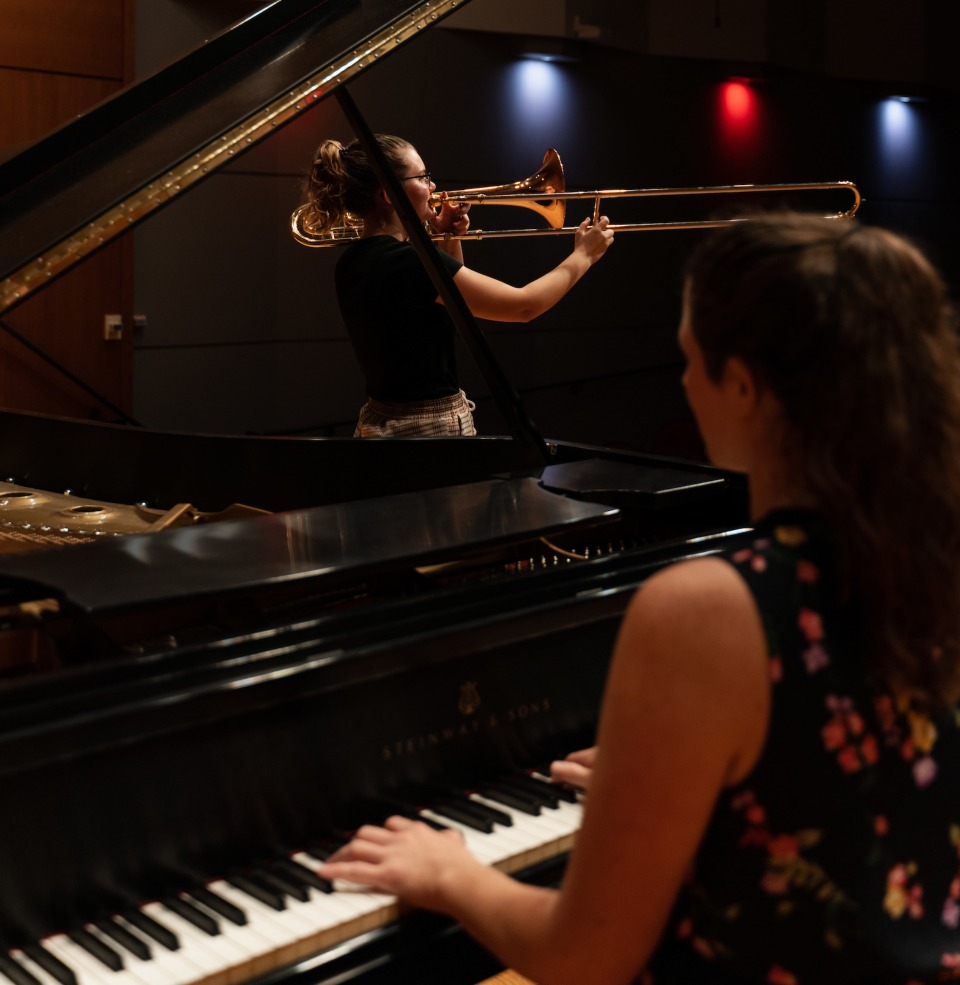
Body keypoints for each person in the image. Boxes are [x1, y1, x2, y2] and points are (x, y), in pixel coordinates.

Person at [316, 212, 960, 984]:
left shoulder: (709, 609)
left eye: (689, 358)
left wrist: (451, 871)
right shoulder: (928, 564)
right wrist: (670, 776)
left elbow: (582, 956)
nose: (684, 382)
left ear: (746, 386)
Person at [299, 134, 613, 437]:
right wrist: (583, 256)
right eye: (422, 177)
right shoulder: (407, 261)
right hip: (426, 429)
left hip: (383, 422)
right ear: (386, 193)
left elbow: (450, 302)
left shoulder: (354, 259)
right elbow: (524, 305)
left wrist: (448, 237)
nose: (433, 186)